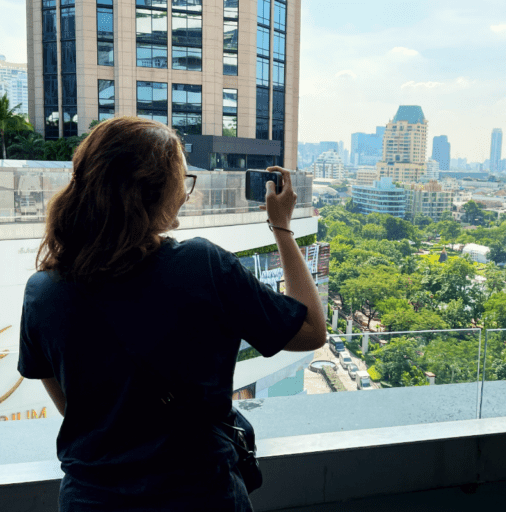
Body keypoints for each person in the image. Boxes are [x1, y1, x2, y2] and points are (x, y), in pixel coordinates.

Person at [16, 117, 326, 511]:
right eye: (182, 180)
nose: (185, 194)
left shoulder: (43, 292)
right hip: (200, 494)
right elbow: (313, 330)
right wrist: (281, 226)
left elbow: (74, 409)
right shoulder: (202, 266)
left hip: (92, 499)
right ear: (153, 193)